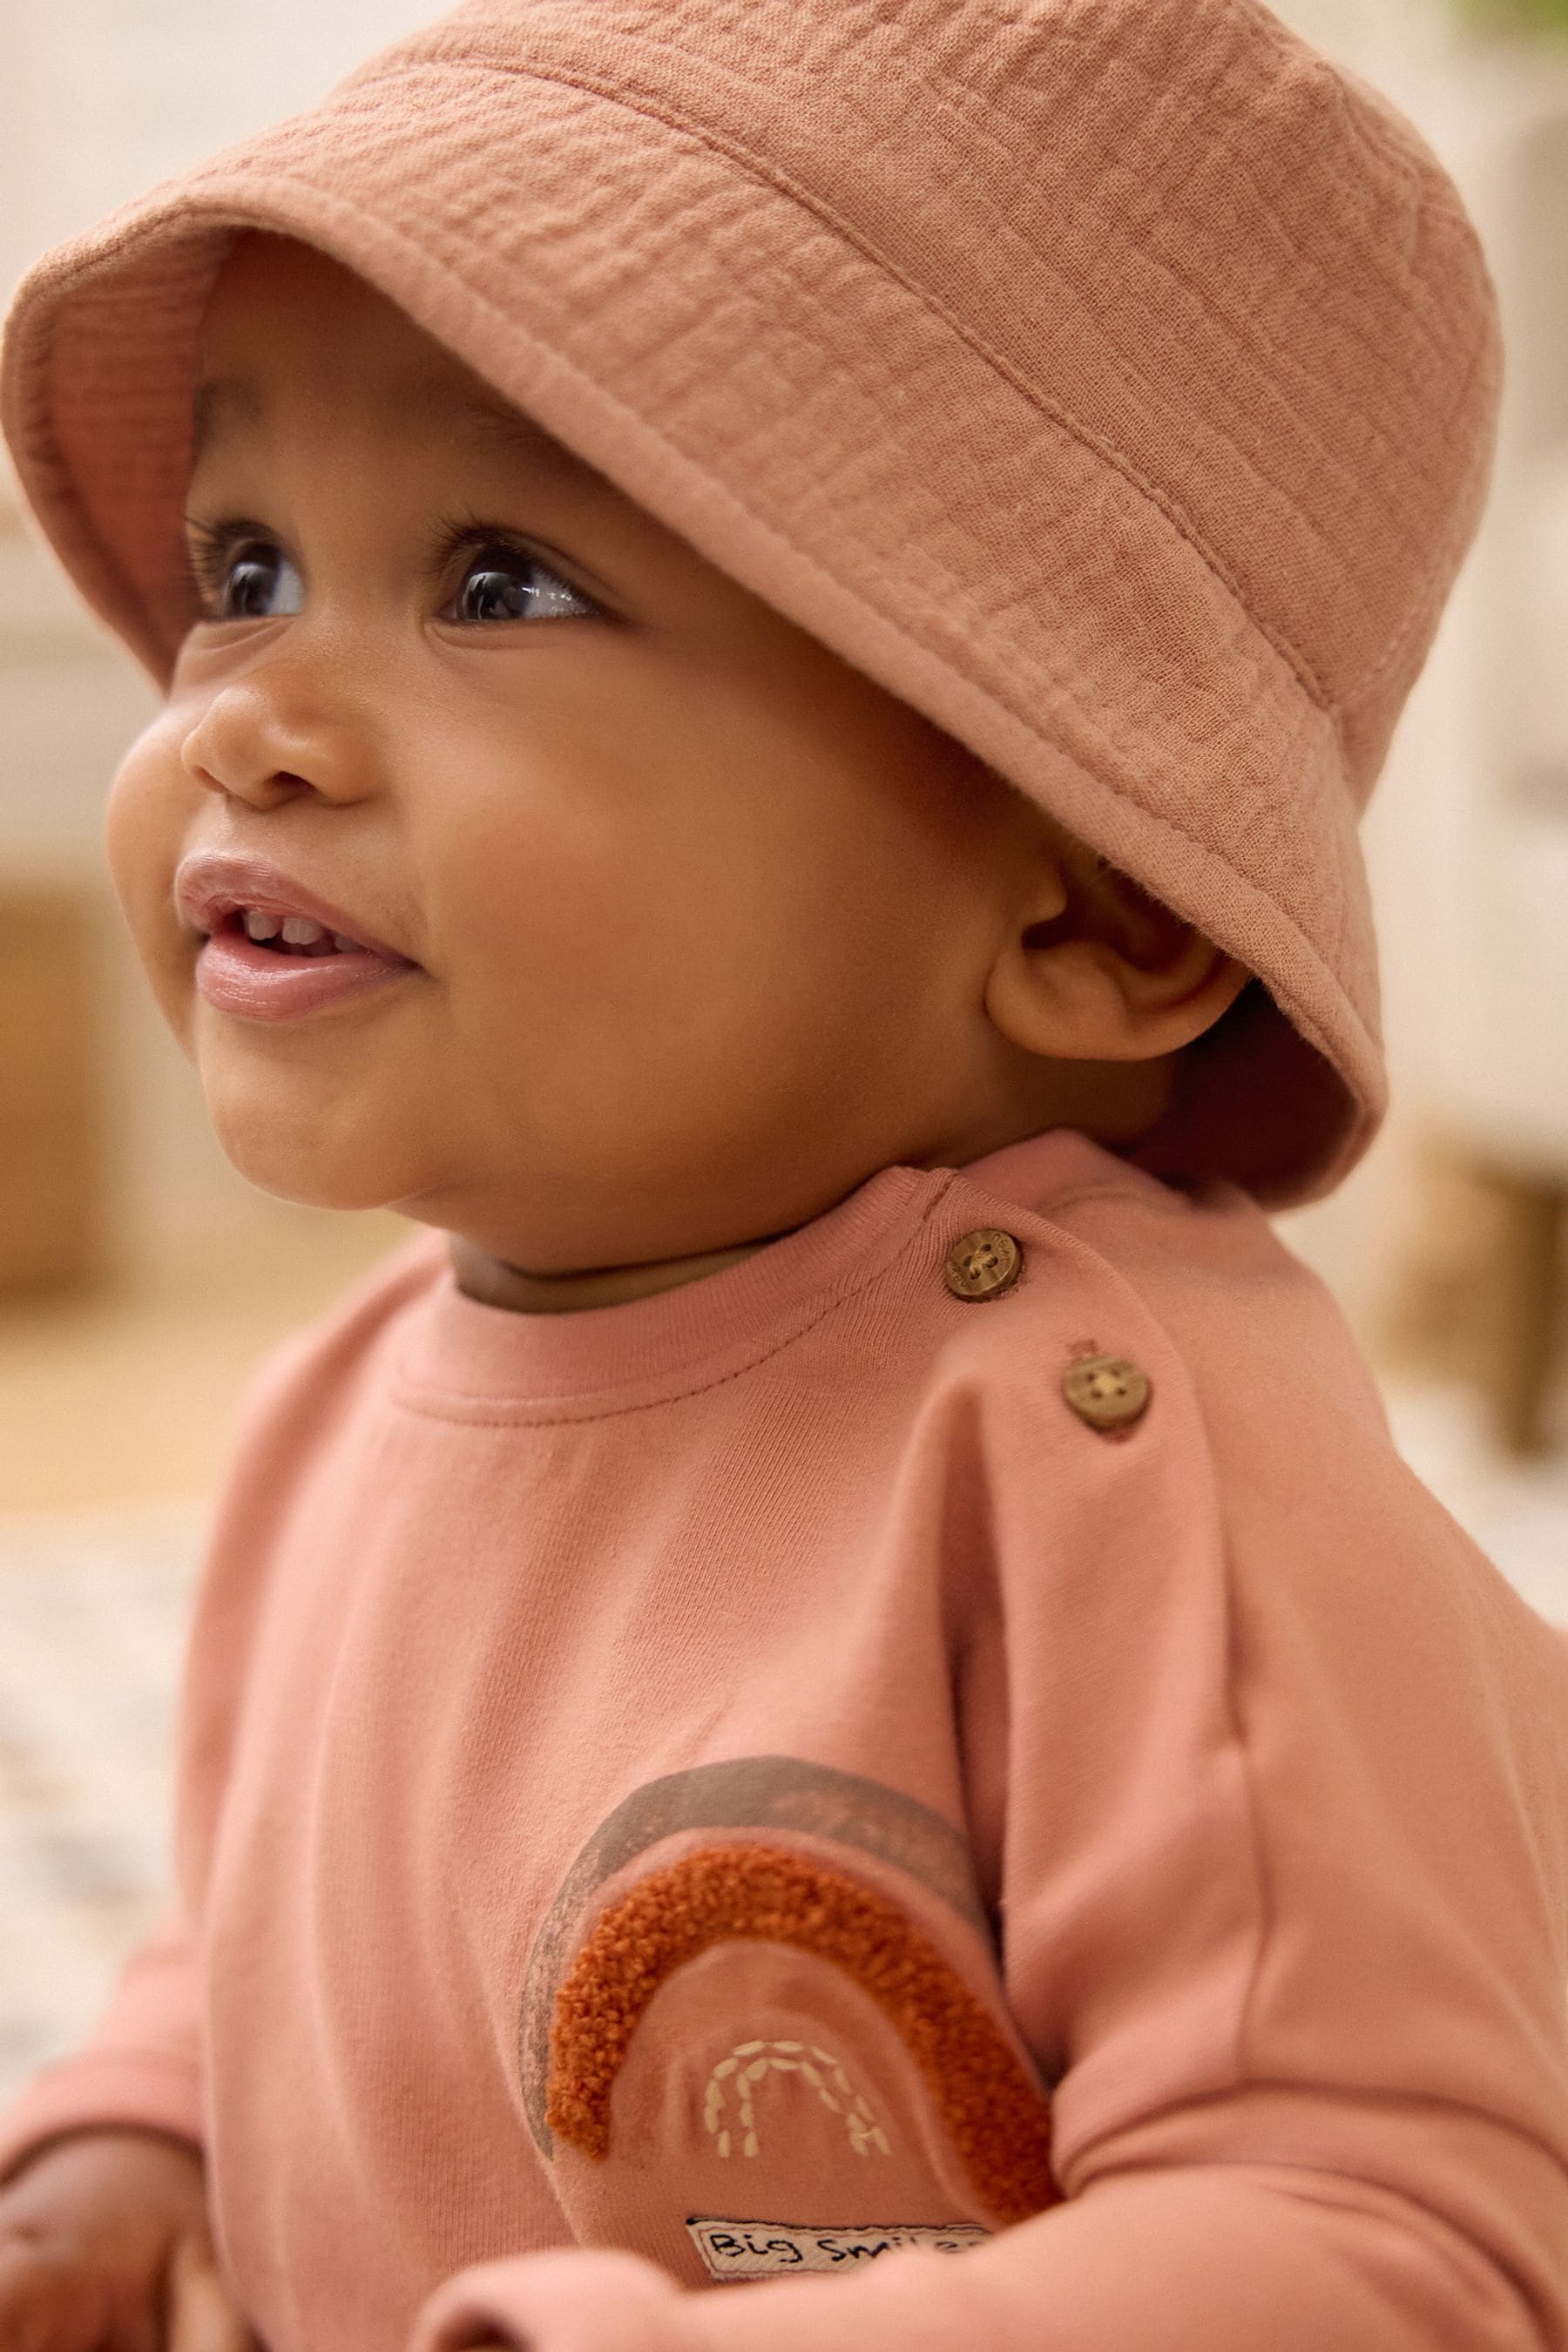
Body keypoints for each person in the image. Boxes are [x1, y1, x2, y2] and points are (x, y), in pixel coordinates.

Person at [2, 2, 1565, 2347]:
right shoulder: (339, 1401)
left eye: (501, 583)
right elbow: (286, 1887)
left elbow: (1396, 2240)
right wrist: (138, 2123)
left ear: (1088, 902)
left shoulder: (1122, 1466)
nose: (240, 711)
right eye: (245, 558)